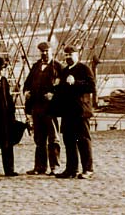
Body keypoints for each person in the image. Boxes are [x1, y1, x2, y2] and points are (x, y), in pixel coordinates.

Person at [52, 45, 95, 179]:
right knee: (69, 141)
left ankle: (88, 169)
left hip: (80, 111)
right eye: (66, 55)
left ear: (77, 55)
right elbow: (62, 91)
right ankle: (71, 169)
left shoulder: (84, 68)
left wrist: (75, 82)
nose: (68, 57)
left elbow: (91, 86)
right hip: (67, 112)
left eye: (71, 54)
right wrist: (56, 88)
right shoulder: (64, 71)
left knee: (83, 140)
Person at [22, 41, 61, 175]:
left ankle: (55, 166)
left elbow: (62, 88)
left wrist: (54, 95)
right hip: (37, 107)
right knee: (39, 139)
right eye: (42, 51)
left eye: (46, 51)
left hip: (51, 109)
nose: (44, 54)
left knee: (53, 138)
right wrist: (26, 92)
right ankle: (40, 167)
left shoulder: (58, 67)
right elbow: (27, 83)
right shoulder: (36, 66)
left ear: (51, 51)